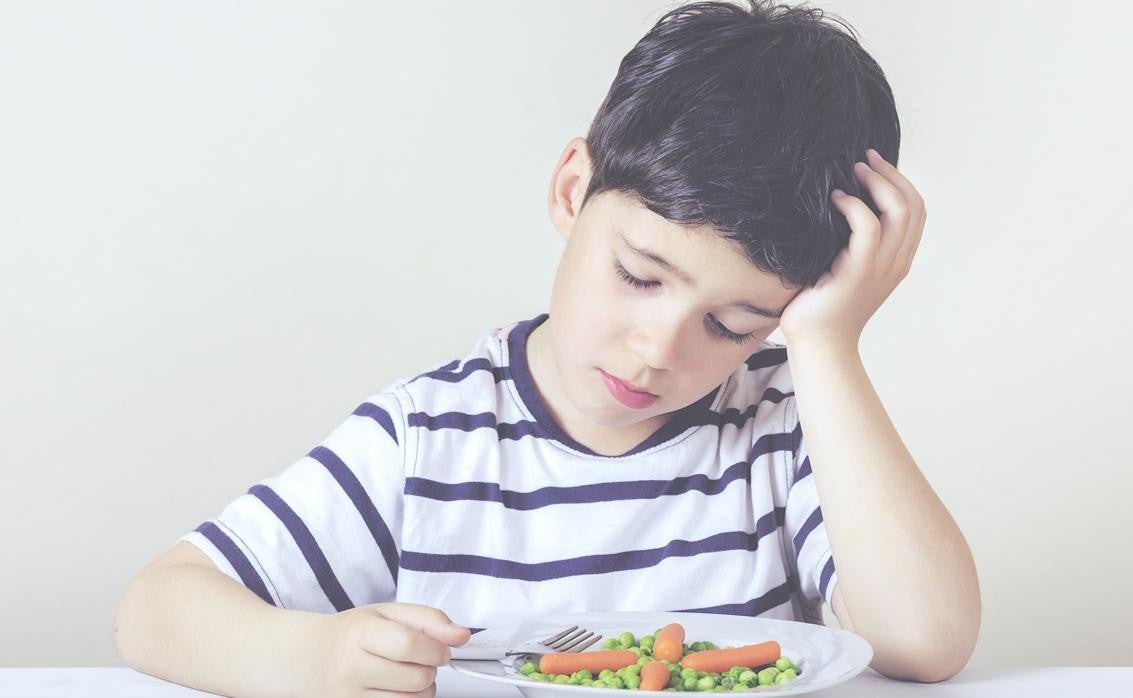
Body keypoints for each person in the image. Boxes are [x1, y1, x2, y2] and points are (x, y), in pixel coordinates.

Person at [114, 1, 980, 695]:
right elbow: (156, 610)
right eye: (641, 276)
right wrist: (310, 660)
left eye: (732, 324)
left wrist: (827, 342)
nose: (656, 350)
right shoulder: (431, 437)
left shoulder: (787, 425)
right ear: (573, 190)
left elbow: (924, 641)